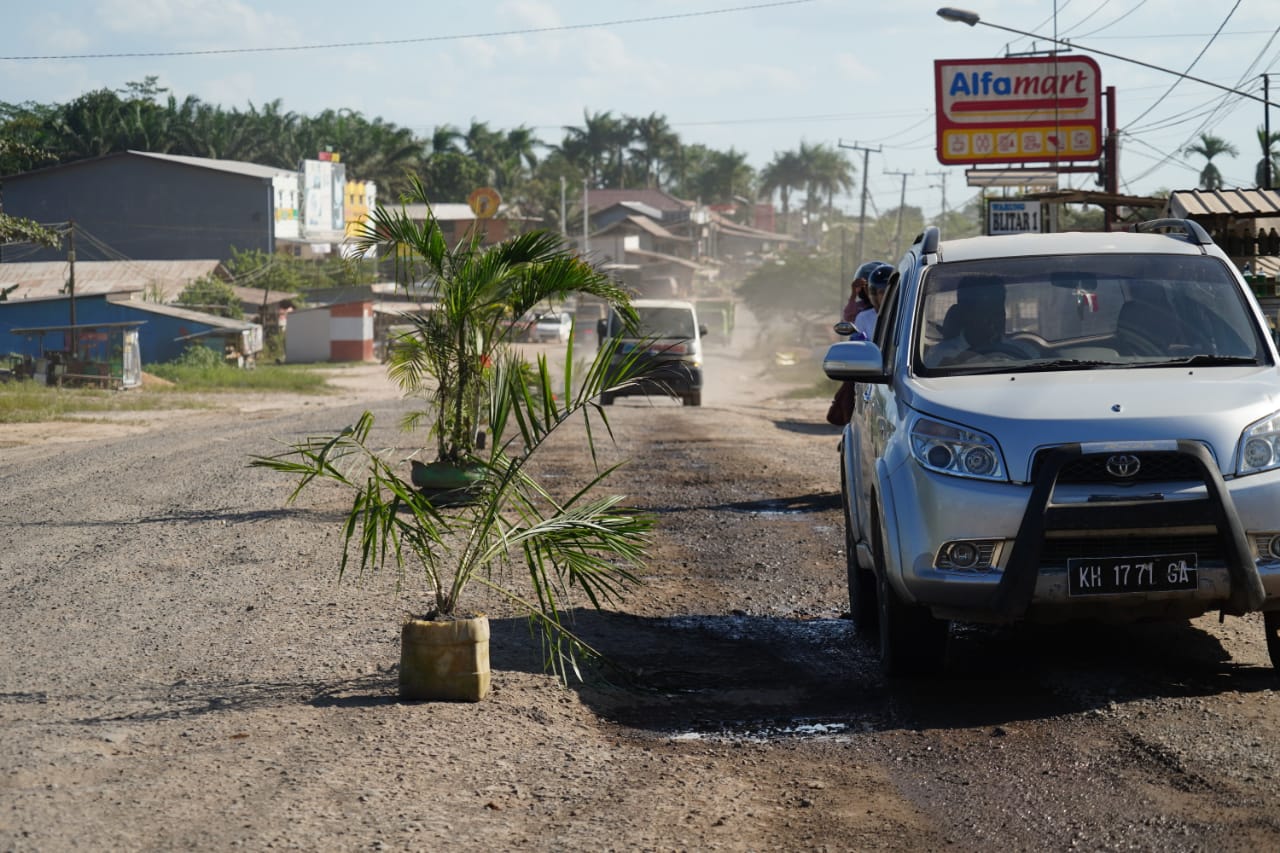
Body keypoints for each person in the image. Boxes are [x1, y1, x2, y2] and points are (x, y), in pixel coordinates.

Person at [924, 274, 1030, 366]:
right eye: (984, 312)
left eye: (998, 310)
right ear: (966, 314)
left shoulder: (1026, 351)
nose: (994, 320)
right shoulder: (940, 355)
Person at [852, 263, 895, 342]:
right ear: (874, 295)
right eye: (882, 292)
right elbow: (860, 347)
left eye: (890, 291)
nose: (887, 295)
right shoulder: (863, 319)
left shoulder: (904, 316)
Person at [842, 260, 885, 328]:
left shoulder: (890, 307)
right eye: (866, 287)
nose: (871, 291)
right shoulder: (861, 310)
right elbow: (848, 317)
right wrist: (853, 295)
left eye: (881, 290)